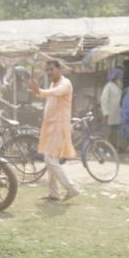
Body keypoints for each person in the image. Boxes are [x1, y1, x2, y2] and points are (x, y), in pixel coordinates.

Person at [29, 60, 79, 202]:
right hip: (50, 126)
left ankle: (71, 188)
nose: (49, 72)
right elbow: (47, 94)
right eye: (48, 70)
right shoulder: (53, 84)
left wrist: (39, 91)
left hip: (59, 126)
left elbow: (54, 93)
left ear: (59, 69)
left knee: (49, 158)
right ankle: (54, 193)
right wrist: (36, 91)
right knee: (52, 159)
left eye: (52, 69)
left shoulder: (65, 84)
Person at [99, 68, 123, 147]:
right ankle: (105, 146)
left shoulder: (118, 85)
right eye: (120, 75)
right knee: (107, 131)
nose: (121, 76)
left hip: (117, 112)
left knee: (115, 131)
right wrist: (105, 112)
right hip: (110, 112)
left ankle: (113, 146)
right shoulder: (108, 86)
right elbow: (103, 99)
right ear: (116, 76)